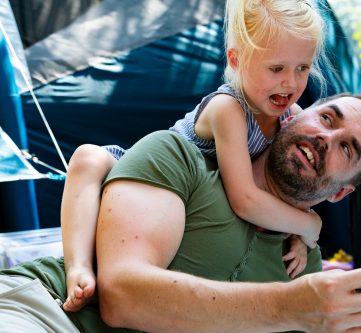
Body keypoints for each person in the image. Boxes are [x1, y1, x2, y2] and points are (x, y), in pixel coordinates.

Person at [0, 93, 361, 333]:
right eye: (327, 118)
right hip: (46, 313)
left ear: (342, 192)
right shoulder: (179, 156)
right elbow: (122, 296)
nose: (325, 138)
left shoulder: (304, 265)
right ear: (294, 114)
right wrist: (289, 305)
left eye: (347, 148)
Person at [60, 0, 329, 312]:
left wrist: (298, 233)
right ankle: (78, 268)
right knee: (88, 158)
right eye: (276, 68)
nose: (291, 82)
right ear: (237, 60)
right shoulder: (228, 109)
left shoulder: (290, 117)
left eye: (302, 68)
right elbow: (244, 198)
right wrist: (310, 224)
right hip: (153, 181)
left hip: (201, 203)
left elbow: (287, 193)